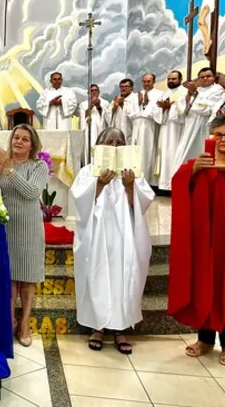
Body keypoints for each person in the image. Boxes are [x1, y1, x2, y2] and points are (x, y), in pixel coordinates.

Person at [70, 127, 154, 354]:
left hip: (124, 237)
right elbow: (78, 200)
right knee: (96, 276)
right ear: (100, 145)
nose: (115, 147)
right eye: (109, 142)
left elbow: (144, 203)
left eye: (119, 142)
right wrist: (98, 185)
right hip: (97, 237)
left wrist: (129, 187)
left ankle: (121, 328)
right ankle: (97, 327)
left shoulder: (133, 172)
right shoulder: (89, 171)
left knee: (123, 278)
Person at [169, 114, 225, 367]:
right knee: (205, 281)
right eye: (218, 134)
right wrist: (193, 172)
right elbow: (180, 181)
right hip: (205, 238)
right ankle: (205, 338)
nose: (224, 139)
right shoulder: (201, 161)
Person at [0, 124, 49, 347]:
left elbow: (31, 192)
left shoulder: (39, 166)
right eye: (16, 138)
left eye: (24, 139)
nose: (19, 142)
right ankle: (9, 320)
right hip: (7, 227)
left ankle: (24, 323)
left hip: (29, 228)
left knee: (28, 278)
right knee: (10, 277)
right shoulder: (4, 164)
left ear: (32, 145)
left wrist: (9, 171)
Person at [172, 68, 225, 169]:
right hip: (190, 125)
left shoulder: (218, 90)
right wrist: (189, 95)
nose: (205, 79)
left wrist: (194, 95)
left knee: (200, 153)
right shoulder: (196, 90)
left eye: (208, 76)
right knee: (183, 155)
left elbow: (208, 108)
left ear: (214, 77)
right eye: (202, 77)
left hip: (203, 127)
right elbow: (185, 108)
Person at [130, 73, 165, 186]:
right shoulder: (136, 95)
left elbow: (159, 113)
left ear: (154, 82)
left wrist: (146, 104)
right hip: (137, 127)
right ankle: (135, 180)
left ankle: (148, 182)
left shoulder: (160, 94)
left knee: (148, 153)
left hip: (149, 128)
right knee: (136, 153)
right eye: (144, 81)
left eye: (149, 81)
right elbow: (130, 113)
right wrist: (140, 103)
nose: (146, 84)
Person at [157, 71, 188, 191]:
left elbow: (184, 111)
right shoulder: (165, 93)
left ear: (180, 79)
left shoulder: (184, 92)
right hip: (165, 129)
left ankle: (176, 185)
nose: (170, 81)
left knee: (176, 155)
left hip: (178, 129)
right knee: (166, 155)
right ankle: (165, 185)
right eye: (169, 79)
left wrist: (170, 107)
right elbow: (157, 111)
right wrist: (163, 110)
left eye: (174, 79)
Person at [79, 84, 107, 163]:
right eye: (92, 91)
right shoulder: (83, 104)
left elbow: (107, 118)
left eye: (95, 90)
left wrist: (98, 106)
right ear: (88, 93)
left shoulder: (105, 103)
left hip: (100, 130)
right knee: (89, 148)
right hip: (89, 130)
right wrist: (91, 106)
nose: (94, 92)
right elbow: (83, 117)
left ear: (99, 92)